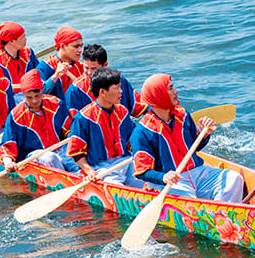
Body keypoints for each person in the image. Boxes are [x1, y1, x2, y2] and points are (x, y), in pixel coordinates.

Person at [129, 74, 244, 202]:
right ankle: (210, 212)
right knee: (188, 199)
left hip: (197, 172)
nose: (176, 91)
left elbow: (195, 146)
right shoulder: (142, 132)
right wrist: (163, 177)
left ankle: (222, 215)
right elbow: (141, 171)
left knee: (234, 178)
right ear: (159, 95)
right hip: (169, 182)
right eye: (170, 88)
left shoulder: (182, 115)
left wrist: (205, 134)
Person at [67, 67, 136, 183]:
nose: (121, 91)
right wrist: (89, 171)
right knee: (115, 185)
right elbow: (76, 152)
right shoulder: (83, 118)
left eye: (120, 87)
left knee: (148, 182)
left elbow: (131, 141)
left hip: (126, 161)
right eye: (116, 88)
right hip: (101, 168)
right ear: (102, 92)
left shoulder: (122, 111)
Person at [0, 69, 71, 172]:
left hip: (60, 149)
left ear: (42, 89)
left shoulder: (57, 104)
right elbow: (8, 144)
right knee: (50, 158)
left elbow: (68, 129)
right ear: (23, 95)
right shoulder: (15, 116)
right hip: (34, 155)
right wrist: (8, 163)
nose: (34, 100)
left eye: (37, 96)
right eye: (29, 97)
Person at [65, 44, 144, 117]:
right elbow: (74, 123)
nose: (89, 73)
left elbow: (138, 105)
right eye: (86, 68)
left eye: (93, 68)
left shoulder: (118, 80)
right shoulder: (75, 90)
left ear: (105, 65)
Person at [36, 26, 85, 104]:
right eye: (76, 46)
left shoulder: (81, 67)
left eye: (81, 46)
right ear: (62, 46)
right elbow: (35, 96)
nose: (80, 50)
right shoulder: (45, 66)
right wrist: (55, 76)